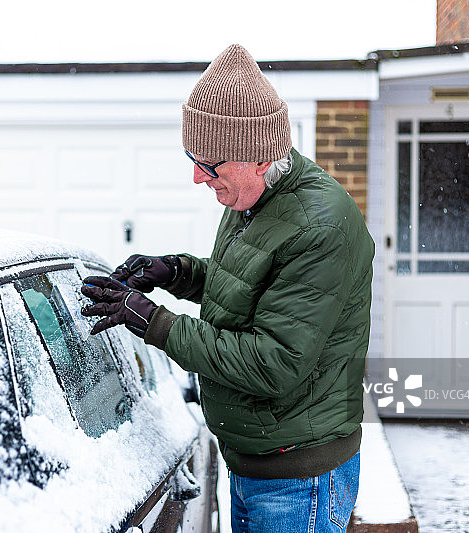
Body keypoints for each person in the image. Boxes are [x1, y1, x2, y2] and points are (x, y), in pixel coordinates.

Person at [81, 43, 375, 533]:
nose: (198, 176)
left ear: (258, 156)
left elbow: (273, 361)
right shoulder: (252, 197)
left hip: (299, 478)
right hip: (255, 459)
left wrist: (155, 323)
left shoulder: (321, 225)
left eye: (209, 162)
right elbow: (248, 290)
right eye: (192, 157)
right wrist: (175, 273)